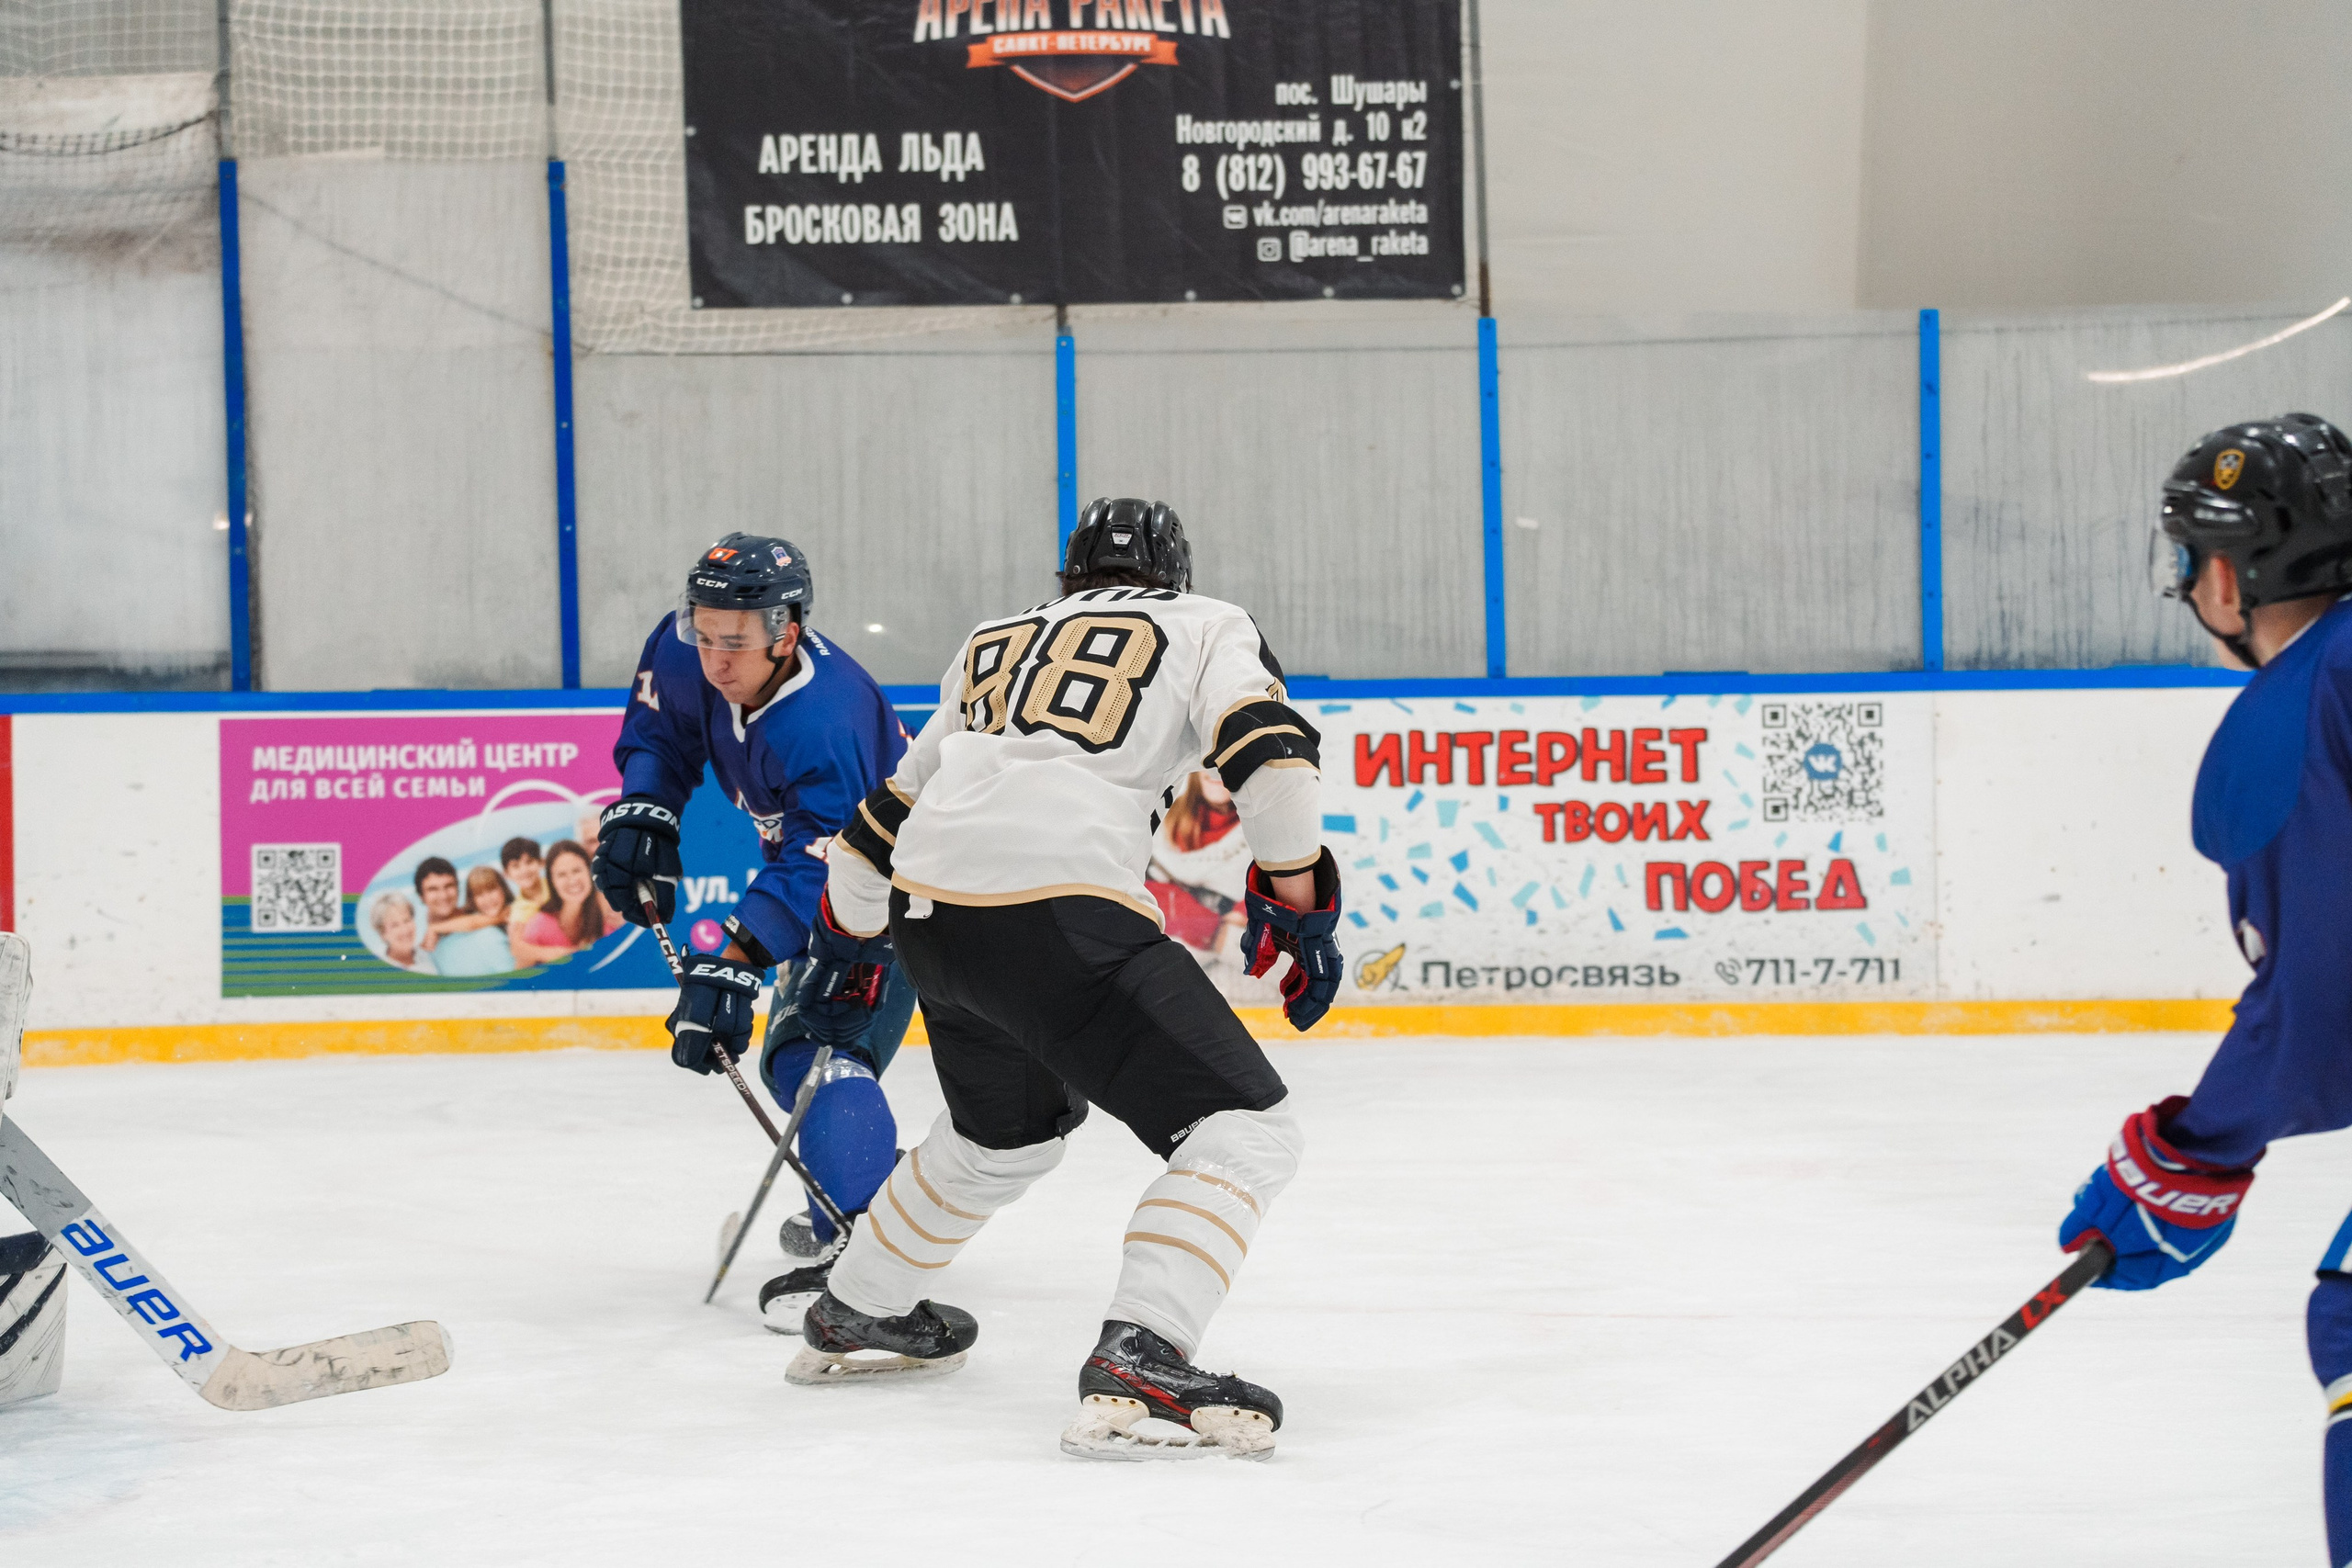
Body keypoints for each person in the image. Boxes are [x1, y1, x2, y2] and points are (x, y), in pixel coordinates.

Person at [787, 497, 1341, 1461]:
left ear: (1067, 578)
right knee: (1245, 1131)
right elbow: (1269, 753)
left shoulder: (993, 640)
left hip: (933, 917)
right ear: (1171, 573)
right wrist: (1297, 897)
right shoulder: (1204, 621)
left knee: (1001, 1140)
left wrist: (846, 946)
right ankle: (1144, 1353)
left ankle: (856, 1307)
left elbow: (883, 817)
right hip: (1061, 910)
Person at [2054, 413, 2352, 1559]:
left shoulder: (2285, 721)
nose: (2186, 586)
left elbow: (2321, 998)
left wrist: (2194, 1154)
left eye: (2191, 559)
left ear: (2229, 574)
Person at [593, 534, 913, 1296]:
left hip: (913, 891)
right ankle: (858, 1200)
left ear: (787, 631)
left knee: (816, 1051)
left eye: (732, 643)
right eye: (702, 636)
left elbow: (825, 859)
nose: (714, 661)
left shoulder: (824, 720)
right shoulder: (690, 653)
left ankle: (872, 1253)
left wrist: (737, 960)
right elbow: (662, 735)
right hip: (845, 886)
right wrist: (645, 808)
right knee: (806, 1051)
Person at [511, 840, 617, 966]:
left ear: (589, 872)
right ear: (552, 882)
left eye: (577, 870)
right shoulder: (539, 926)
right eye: (561, 875)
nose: (572, 880)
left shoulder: (609, 909)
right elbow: (520, 981)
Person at [433, 866, 517, 977]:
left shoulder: (515, 909)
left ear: (503, 889)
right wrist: (433, 928)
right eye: (479, 894)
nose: (488, 899)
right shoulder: (477, 921)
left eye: (491, 890)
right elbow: (470, 922)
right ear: (472, 900)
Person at [368, 891, 436, 975]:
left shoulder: (428, 957)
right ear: (382, 933)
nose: (405, 930)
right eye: (395, 925)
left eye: (407, 920)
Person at [412, 858, 461, 956]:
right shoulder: (416, 938)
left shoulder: (480, 921)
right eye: (433, 889)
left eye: (449, 886)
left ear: (458, 888)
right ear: (421, 896)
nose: (444, 896)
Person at [502, 838, 549, 927]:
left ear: (541, 862)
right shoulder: (517, 913)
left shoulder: (557, 886)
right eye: (516, 866)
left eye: (529, 862)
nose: (524, 870)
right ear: (506, 874)